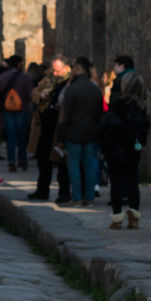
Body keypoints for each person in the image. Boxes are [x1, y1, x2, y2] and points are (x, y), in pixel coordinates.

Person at [97, 69, 150, 229]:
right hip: (134, 148)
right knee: (133, 181)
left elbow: (106, 125)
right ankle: (134, 218)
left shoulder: (118, 104)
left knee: (117, 183)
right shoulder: (142, 107)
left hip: (117, 148)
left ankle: (117, 218)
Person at [54, 56, 103, 205]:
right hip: (91, 133)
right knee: (89, 165)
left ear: (78, 69)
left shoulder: (72, 89)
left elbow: (65, 115)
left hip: (73, 133)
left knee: (74, 166)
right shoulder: (94, 89)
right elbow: (99, 112)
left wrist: (61, 136)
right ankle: (89, 196)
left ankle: (76, 196)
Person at [27, 58, 71, 204]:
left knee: (61, 163)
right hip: (44, 126)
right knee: (43, 160)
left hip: (60, 127)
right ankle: (42, 190)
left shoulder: (70, 82)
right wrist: (41, 96)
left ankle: (64, 193)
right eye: (54, 70)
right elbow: (34, 92)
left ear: (66, 68)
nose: (55, 73)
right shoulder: (47, 79)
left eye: (58, 70)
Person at [0, 54, 32, 172]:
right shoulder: (25, 78)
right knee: (22, 137)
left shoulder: (3, 77)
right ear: (19, 63)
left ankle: (11, 162)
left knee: (11, 137)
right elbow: (30, 95)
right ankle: (23, 160)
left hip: (7, 110)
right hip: (22, 110)